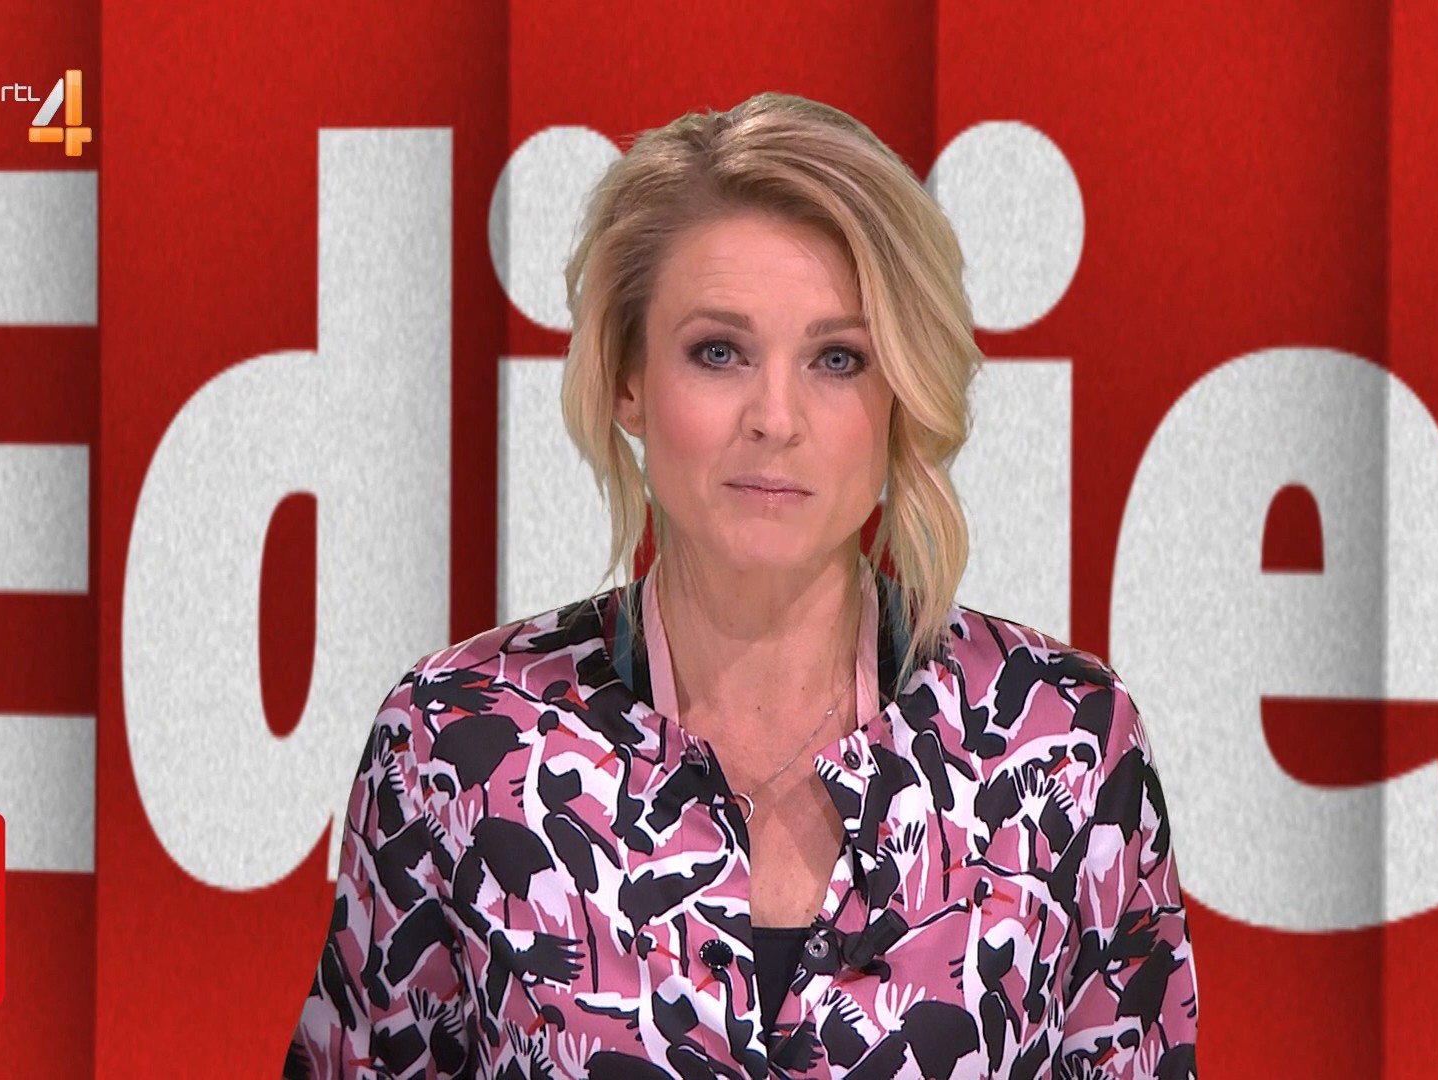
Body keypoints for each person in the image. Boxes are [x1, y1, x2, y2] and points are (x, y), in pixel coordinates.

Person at [285, 91, 1198, 1079]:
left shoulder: (1064, 745)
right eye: (719, 352)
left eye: (837, 359)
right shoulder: (456, 742)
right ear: (629, 379)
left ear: (901, 393)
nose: (775, 416)